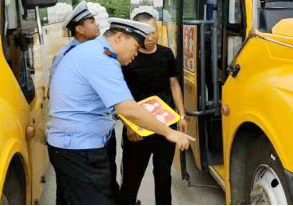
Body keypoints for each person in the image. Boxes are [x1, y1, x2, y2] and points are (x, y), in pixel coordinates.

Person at [46, 18, 194, 205]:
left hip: (73, 146)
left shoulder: (94, 51)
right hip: (79, 149)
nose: (135, 53)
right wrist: (169, 132)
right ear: (118, 37)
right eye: (134, 46)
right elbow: (127, 108)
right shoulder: (101, 59)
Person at [118, 12, 187, 205]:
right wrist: (129, 126)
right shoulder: (129, 57)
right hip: (137, 127)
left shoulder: (166, 54)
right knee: (131, 180)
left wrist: (182, 116)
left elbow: (174, 84)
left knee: (164, 177)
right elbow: (119, 96)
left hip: (166, 124)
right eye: (146, 34)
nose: (151, 38)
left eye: (154, 32)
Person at [49, 0, 99, 83]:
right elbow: (52, 91)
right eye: (92, 22)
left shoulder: (97, 48)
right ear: (79, 29)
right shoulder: (63, 56)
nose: (97, 24)